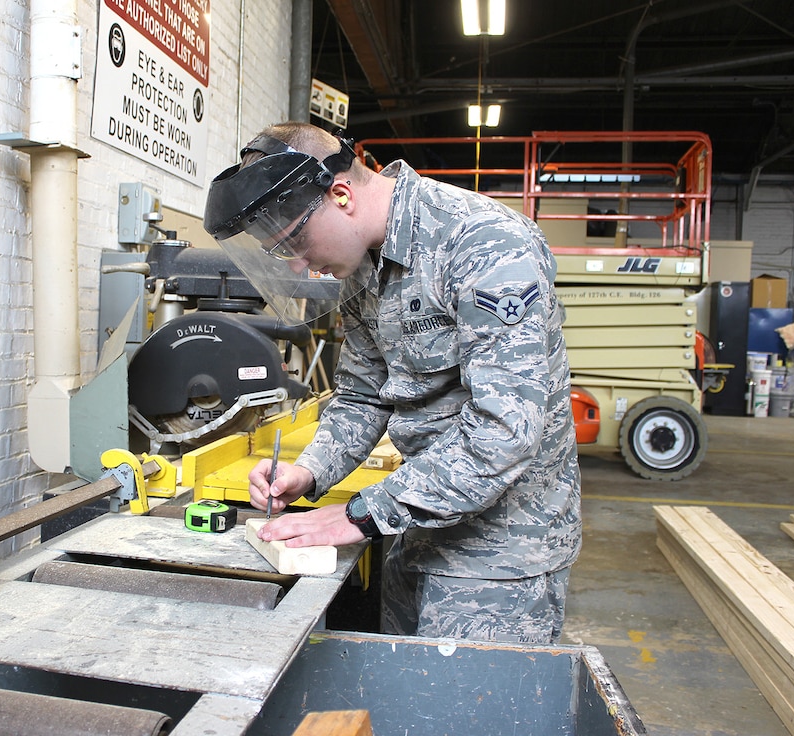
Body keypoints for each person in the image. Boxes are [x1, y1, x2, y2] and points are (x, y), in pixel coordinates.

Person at [202, 121, 581, 645]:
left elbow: (505, 431)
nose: (297, 264)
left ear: (340, 194)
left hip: (500, 555)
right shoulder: (361, 265)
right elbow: (362, 393)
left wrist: (361, 515)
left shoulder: (484, 243)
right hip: (415, 525)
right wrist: (309, 472)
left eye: (295, 241)